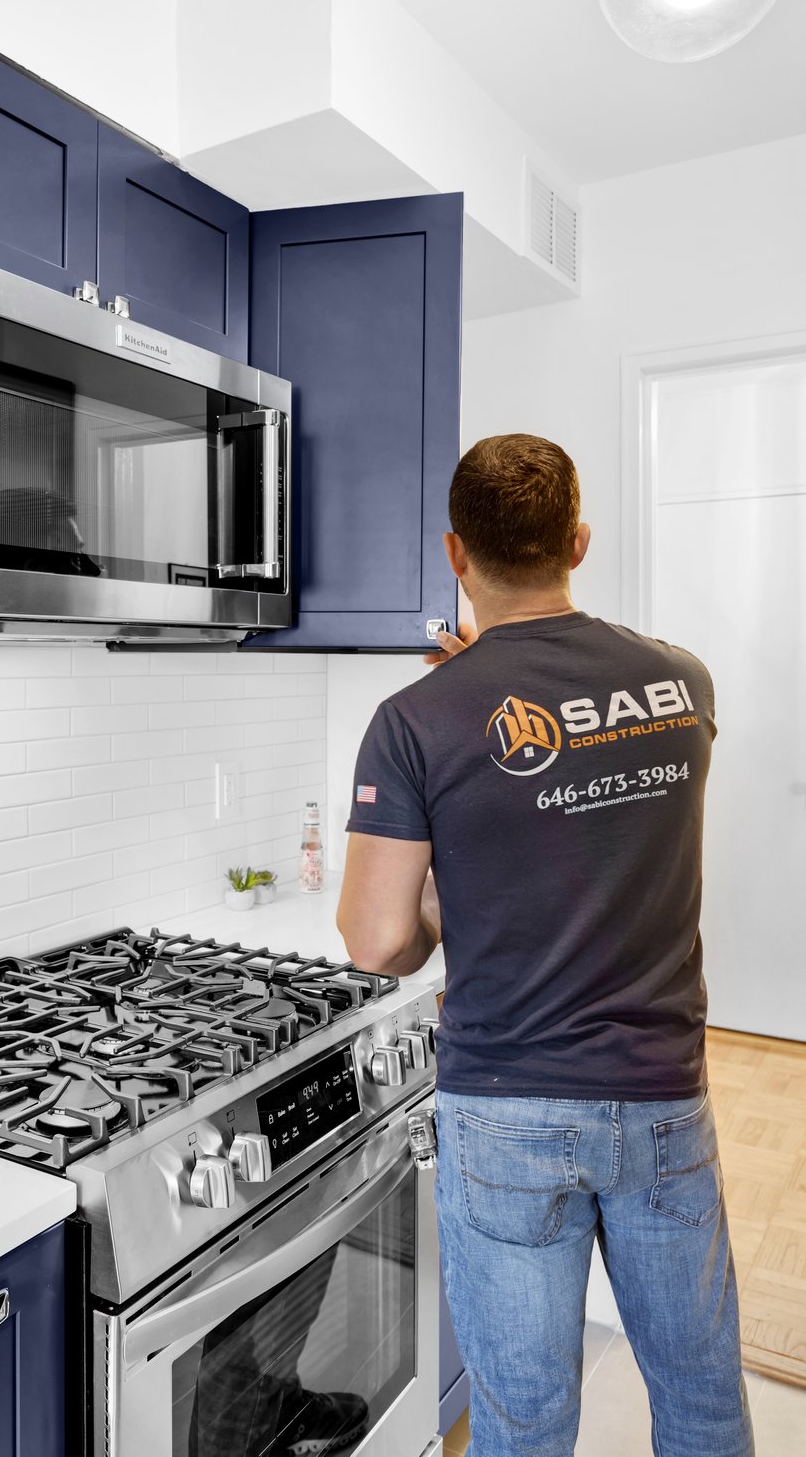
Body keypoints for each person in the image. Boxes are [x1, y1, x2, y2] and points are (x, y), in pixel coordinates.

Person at [336, 434, 754, 1457]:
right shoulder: (682, 684)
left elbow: (380, 943)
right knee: (701, 1398)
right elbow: (589, 823)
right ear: (577, 539)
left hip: (508, 1107)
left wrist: (446, 864)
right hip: (662, 1096)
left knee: (523, 1422)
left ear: (453, 551)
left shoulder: (414, 719)